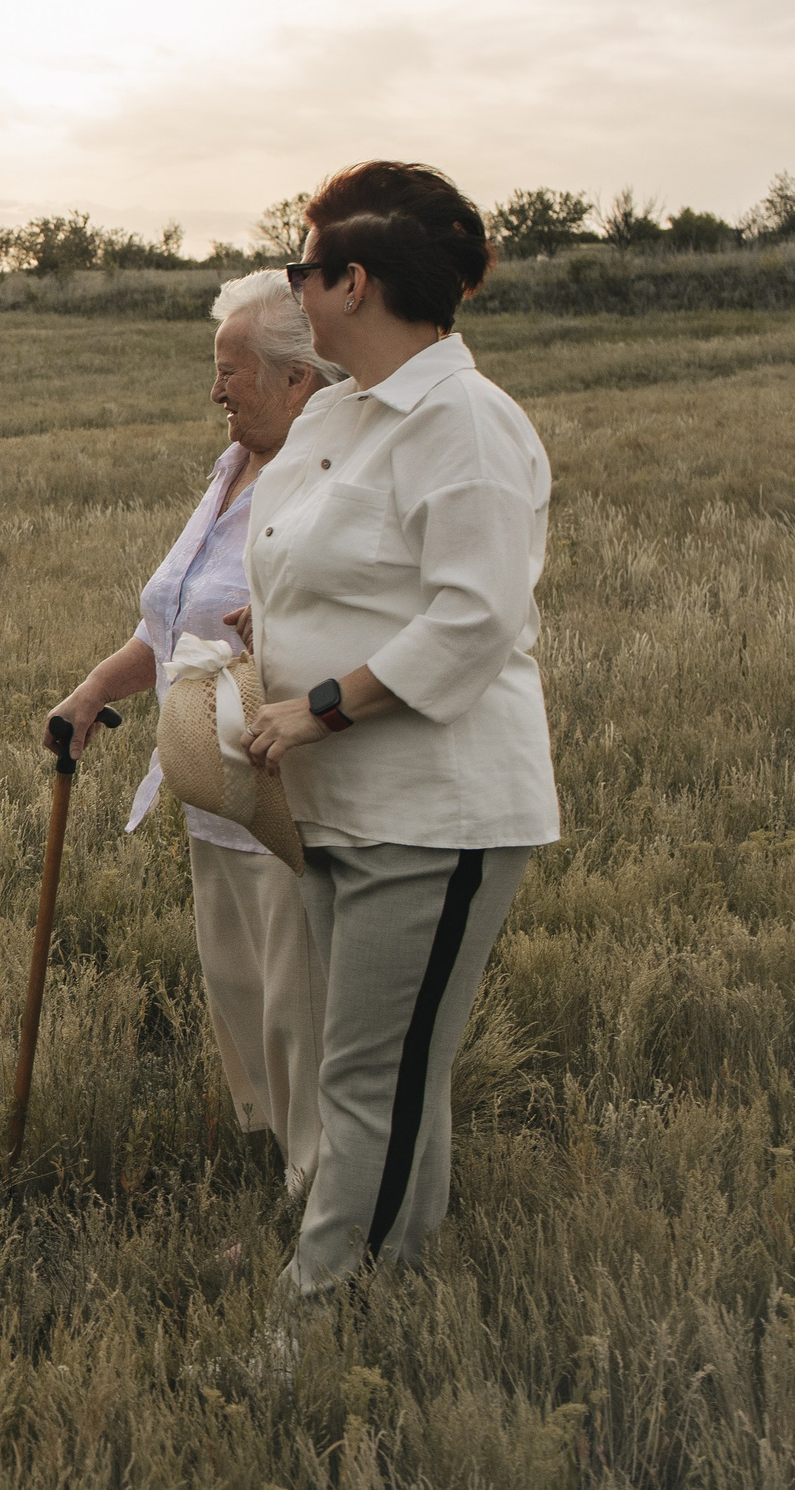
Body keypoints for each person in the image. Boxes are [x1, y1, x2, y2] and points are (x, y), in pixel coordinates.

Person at [231, 161, 558, 1296]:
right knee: (381, 1071)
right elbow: (340, 568)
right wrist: (272, 623)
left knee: (370, 1079)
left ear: (353, 282)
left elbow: (474, 618)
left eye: (303, 269)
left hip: (434, 808)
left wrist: (319, 705)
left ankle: (312, 1329)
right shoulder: (340, 412)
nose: (295, 289)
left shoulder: (463, 422)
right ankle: (392, 1296)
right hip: (340, 805)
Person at [49, 271, 341, 1191]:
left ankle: (328, 1209)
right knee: (243, 997)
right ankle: (285, 1185)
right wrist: (94, 690)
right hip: (214, 792)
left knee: (302, 1014)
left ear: (297, 378)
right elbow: (171, 623)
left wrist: (292, 630)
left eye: (231, 371)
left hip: (284, 797)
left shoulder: (327, 479)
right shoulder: (232, 468)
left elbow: (367, 624)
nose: (216, 390)